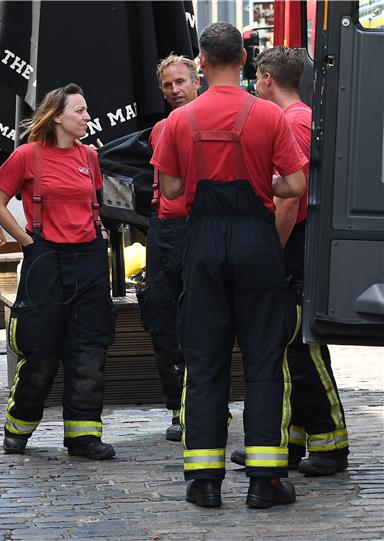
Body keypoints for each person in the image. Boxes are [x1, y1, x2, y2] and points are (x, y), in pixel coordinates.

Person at [152, 22, 308, 509]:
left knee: (204, 360)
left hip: (201, 241)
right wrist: (267, 186)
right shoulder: (267, 116)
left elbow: (172, 192)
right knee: (263, 359)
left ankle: (204, 481)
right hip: (256, 241)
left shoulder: (177, 122)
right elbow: (297, 185)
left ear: (201, 62)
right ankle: (265, 482)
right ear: (243, 59)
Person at [228, 46, 349, 477]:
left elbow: (289, 199)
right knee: (290, 347)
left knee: (302, 348)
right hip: (300, 246)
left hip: (292, 248)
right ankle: (295, 441)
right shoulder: (302, 117)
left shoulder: (290, 120)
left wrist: (271, 254)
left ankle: (330, 443)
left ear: (265, 79)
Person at [0, 83, 116, 460]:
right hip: (45, 260)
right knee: (41, 353)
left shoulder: (90, 157)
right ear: (57, 116)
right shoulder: (27, 156)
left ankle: (83, 437)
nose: (87, 117)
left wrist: (101, 233)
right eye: (80, 111)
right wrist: (27, 242)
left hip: (89, 260)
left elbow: (93, 203)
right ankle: (19, 426)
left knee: (89, 350)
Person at [137, 54, 200, 442]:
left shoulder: (211, 120)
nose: (174, 90)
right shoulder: (160, 129)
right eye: (167, 85)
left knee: (204, 321)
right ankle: (178, 408)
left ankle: (207, 406)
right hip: (163, 230)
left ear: (197, 82)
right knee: (161, 319)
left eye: (180, 82)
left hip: (201, 227)